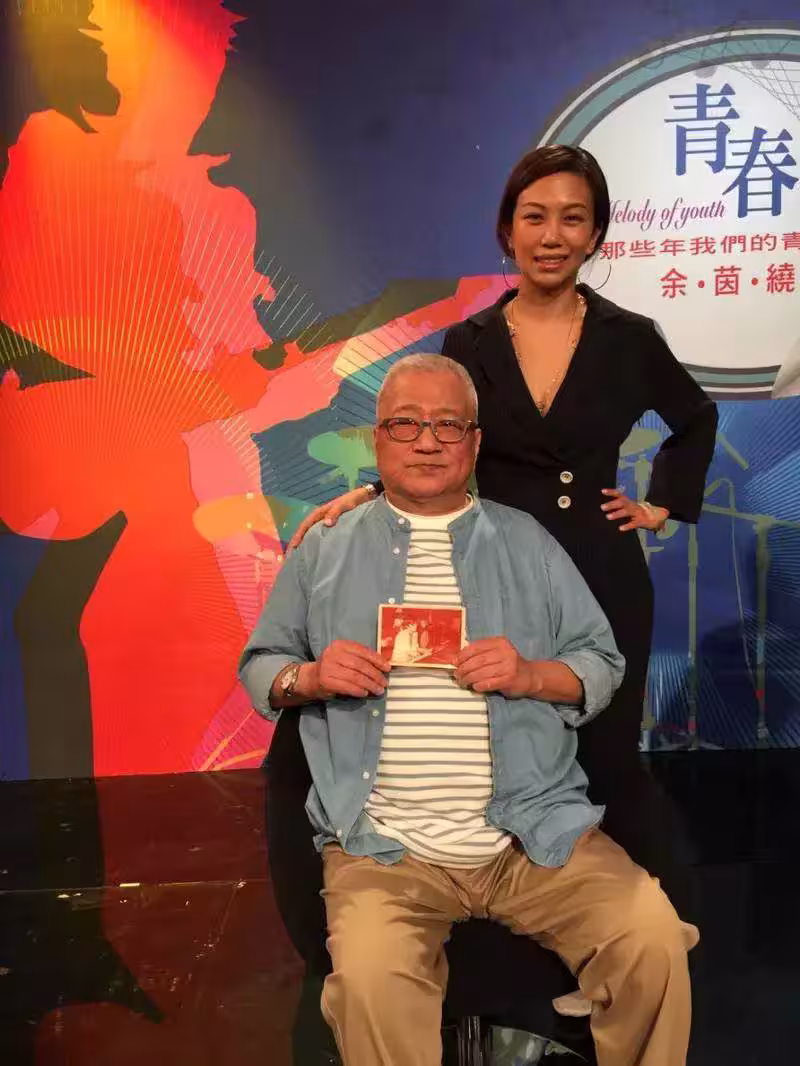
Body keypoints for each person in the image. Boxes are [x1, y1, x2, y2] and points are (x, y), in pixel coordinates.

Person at [288, 144, 718, 917]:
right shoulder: (471, 340)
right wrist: (369, 493)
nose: (552, 236)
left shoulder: (629, 336)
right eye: (535, 217)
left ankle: (623, 925)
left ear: (596, 235)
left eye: (573, 219)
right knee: (510, 735)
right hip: (497, 566)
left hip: (600, 564)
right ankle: (497, 915)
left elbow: (696, 416)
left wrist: (663, 504)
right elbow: (438, 436)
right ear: (507, 232)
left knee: (606, 751)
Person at [241, 355, 695, 1066]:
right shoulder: (326, 546)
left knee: (654, 941)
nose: (427, 441)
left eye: (448, 425)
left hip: (533, 832)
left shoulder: (526, 541)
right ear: (377, 439)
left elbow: (600, 663)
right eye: (406, 424)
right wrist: (311, 677)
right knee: (370, 987)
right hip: (384, 846)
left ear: (475, 443)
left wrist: (530, 674)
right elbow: (261, 665)